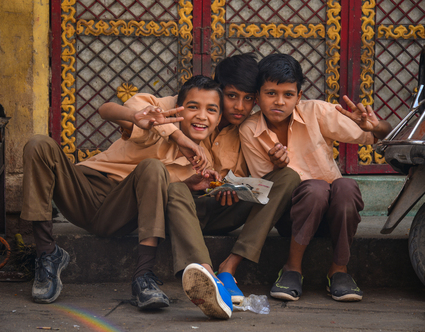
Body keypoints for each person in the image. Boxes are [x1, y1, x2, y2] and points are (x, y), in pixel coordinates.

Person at [21, 75, 233, 319]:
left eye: (211, 110)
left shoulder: (202, 161)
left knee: (153, 167)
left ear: (219, 119)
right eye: (193, 107)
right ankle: (47, 255)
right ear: (178, 107)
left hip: (123, 210)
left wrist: (190, 183)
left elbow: (161, 195)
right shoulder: (158, 128)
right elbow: (105, 109)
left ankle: (143, 276)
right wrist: (144, 122)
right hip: (85, 191)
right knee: (38, 144)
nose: (201, 116)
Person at [119, 54, 301, 304]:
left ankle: (228, 268)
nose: (240, 106)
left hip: (218, 208)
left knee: (287, 176)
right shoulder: (185, 113)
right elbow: (120, 111)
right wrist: (179, 140)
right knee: (176, 190)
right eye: (232, 96)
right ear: (218, 90)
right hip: (177, 209)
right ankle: (205, 273)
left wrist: (231, 187)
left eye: (248, 99)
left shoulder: (246, 130)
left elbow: (245, 178)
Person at [239, 53, 393, 302]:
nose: (279, 102)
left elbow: (380, 135)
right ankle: (292, 268)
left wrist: (375, 127)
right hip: (291, 216)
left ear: (299, 97)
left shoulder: (316, 112)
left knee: (345, 186)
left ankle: (339, 270)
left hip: (334, 217)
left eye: (288, 95)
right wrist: (278, 169)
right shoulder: (250, 130)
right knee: (315, 189)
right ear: (257, 97)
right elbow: (266, 189)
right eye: (270, 94)